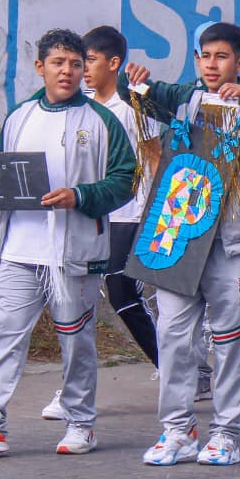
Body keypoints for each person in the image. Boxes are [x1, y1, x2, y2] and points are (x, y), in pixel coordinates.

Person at [0, 29, 137, 459]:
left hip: (74, 253)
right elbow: (5, 175)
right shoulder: (20, 117)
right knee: (1, 335)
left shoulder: (101, 121)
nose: (68, 71)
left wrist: (81, 196)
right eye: (58, 63)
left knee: (76, 341)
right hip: (19, 251)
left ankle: (80, 422)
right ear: (41, 67)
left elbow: (126, 181)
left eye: (76, 63)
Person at [125, 23, 240, 467]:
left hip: (234, 241)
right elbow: (151, 93)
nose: (211, 64)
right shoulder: (186, 98)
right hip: (180, 235)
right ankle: (177, 429)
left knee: (232, 338)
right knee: (173, 336)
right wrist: (139, 81)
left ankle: (226, 432)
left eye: (221, 57)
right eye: (204, 56)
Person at [77, 26, 160, 369]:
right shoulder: (80, 107)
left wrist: (157, 213)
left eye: (91, 61)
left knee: (122, 293)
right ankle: (72, 386)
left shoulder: (132, 107)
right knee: (78, 298)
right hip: (90, 215)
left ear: (114, 63)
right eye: (82, 61)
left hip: (129, 213)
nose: (83, 69)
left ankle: (175, 366)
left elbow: (155, 157)